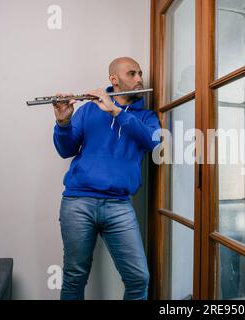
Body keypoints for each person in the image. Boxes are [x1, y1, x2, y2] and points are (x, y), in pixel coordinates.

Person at [52, 57, 160, 300]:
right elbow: (65, 149)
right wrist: (63, 121)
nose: (139, 79)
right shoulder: (88, 109)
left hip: (119, 205)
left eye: (140, 74)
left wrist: (116, 111)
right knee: (74, 277)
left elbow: (152, 141)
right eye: (132, 74)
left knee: (138, 279)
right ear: (114, 79)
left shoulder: (146, 117)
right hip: (78, 203)